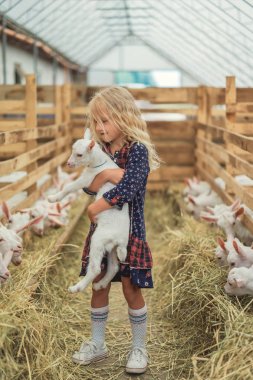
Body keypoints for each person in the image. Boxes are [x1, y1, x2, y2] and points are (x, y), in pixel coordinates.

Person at [72, 86, 160, 374]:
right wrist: (107, 175)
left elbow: (130, 187)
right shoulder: (102, 149)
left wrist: (98, 204)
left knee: (131, 288)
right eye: (96, 122)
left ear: (123, 116)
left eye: (105, 120)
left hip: (129, 230)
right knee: (97, 280)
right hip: (102, 230)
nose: (100, 127)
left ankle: (139, 347)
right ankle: (98, 344)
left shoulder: (138, 151)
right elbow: (88, 183)